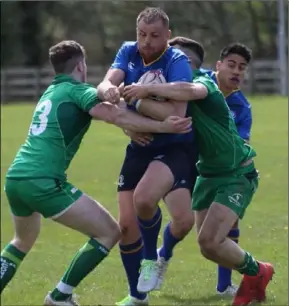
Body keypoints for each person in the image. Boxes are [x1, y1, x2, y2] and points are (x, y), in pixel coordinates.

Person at [0, 40, 191, 306]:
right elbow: (117, 116)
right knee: (109, 232)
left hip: (16, 178)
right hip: (43, 180)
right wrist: (164, 127)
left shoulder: (51, 92)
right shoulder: (78, 91)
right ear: (81, 65)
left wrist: (131, 127)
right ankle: (60, 296)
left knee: (22, 240)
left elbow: (117, 118)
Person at [123, 62, 274, 306]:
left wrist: (142, 91)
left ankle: (255, 273)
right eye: (232, 65)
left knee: (212, 239)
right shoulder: (170, 86)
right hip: (206, 173)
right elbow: (138, 113)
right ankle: (252, 274)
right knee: (207, 246)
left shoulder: (203, 83)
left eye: (241, 67)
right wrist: (131, 121)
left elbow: (192, 92)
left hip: (235, 173)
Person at [97, 7, 196, 305]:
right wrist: (110, 92)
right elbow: (105, 84)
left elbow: (176, 115)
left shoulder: (177, 61)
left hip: (174, 147)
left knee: (145, 201)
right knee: (126, 227)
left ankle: (152, 257)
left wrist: (137, 101)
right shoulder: (128, 52)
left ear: (167, 35)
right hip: (140, 145)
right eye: (142, 34)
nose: (147, 42)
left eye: (154, 36)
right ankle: (137, 297)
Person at [167, 38, 253, 297]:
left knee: (222, 228)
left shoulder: (241, 106)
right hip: (192, 161)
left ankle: (226, 285)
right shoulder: (200, 79)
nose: (236, 71)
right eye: (231, 65)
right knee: (188, 228)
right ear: (218, 65)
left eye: (242, 67)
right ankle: (160, 257)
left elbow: (239, 143)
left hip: (225, 169)